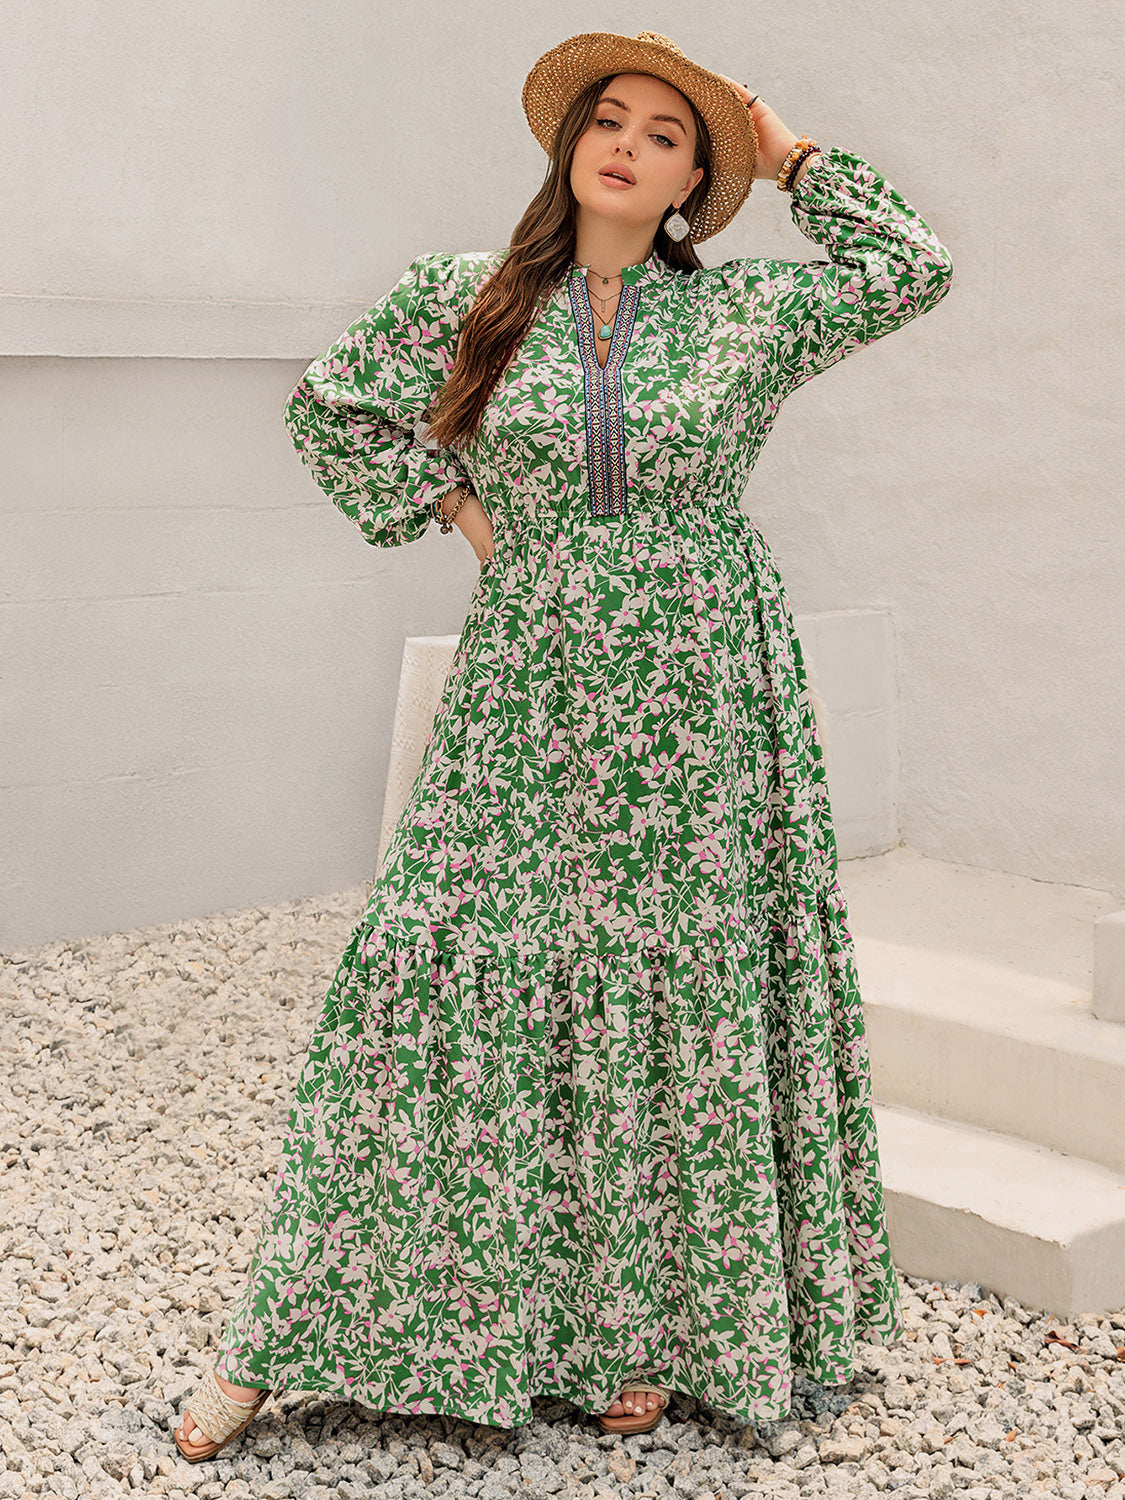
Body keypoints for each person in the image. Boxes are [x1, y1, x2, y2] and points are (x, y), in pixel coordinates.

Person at [173, 27, 953, 1462]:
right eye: (609, 119)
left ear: (696, 180)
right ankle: (287, 1329)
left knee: (672, 982)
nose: (628, 145)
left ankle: (638, 1327)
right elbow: (333, 407)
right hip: (531, 678)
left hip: (702, 686)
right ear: (568, 143)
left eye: (667, 134)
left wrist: (790, 156)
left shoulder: (746, 314)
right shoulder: (465, 294)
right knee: (441, 964)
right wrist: (466, 517)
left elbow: (911, 268)